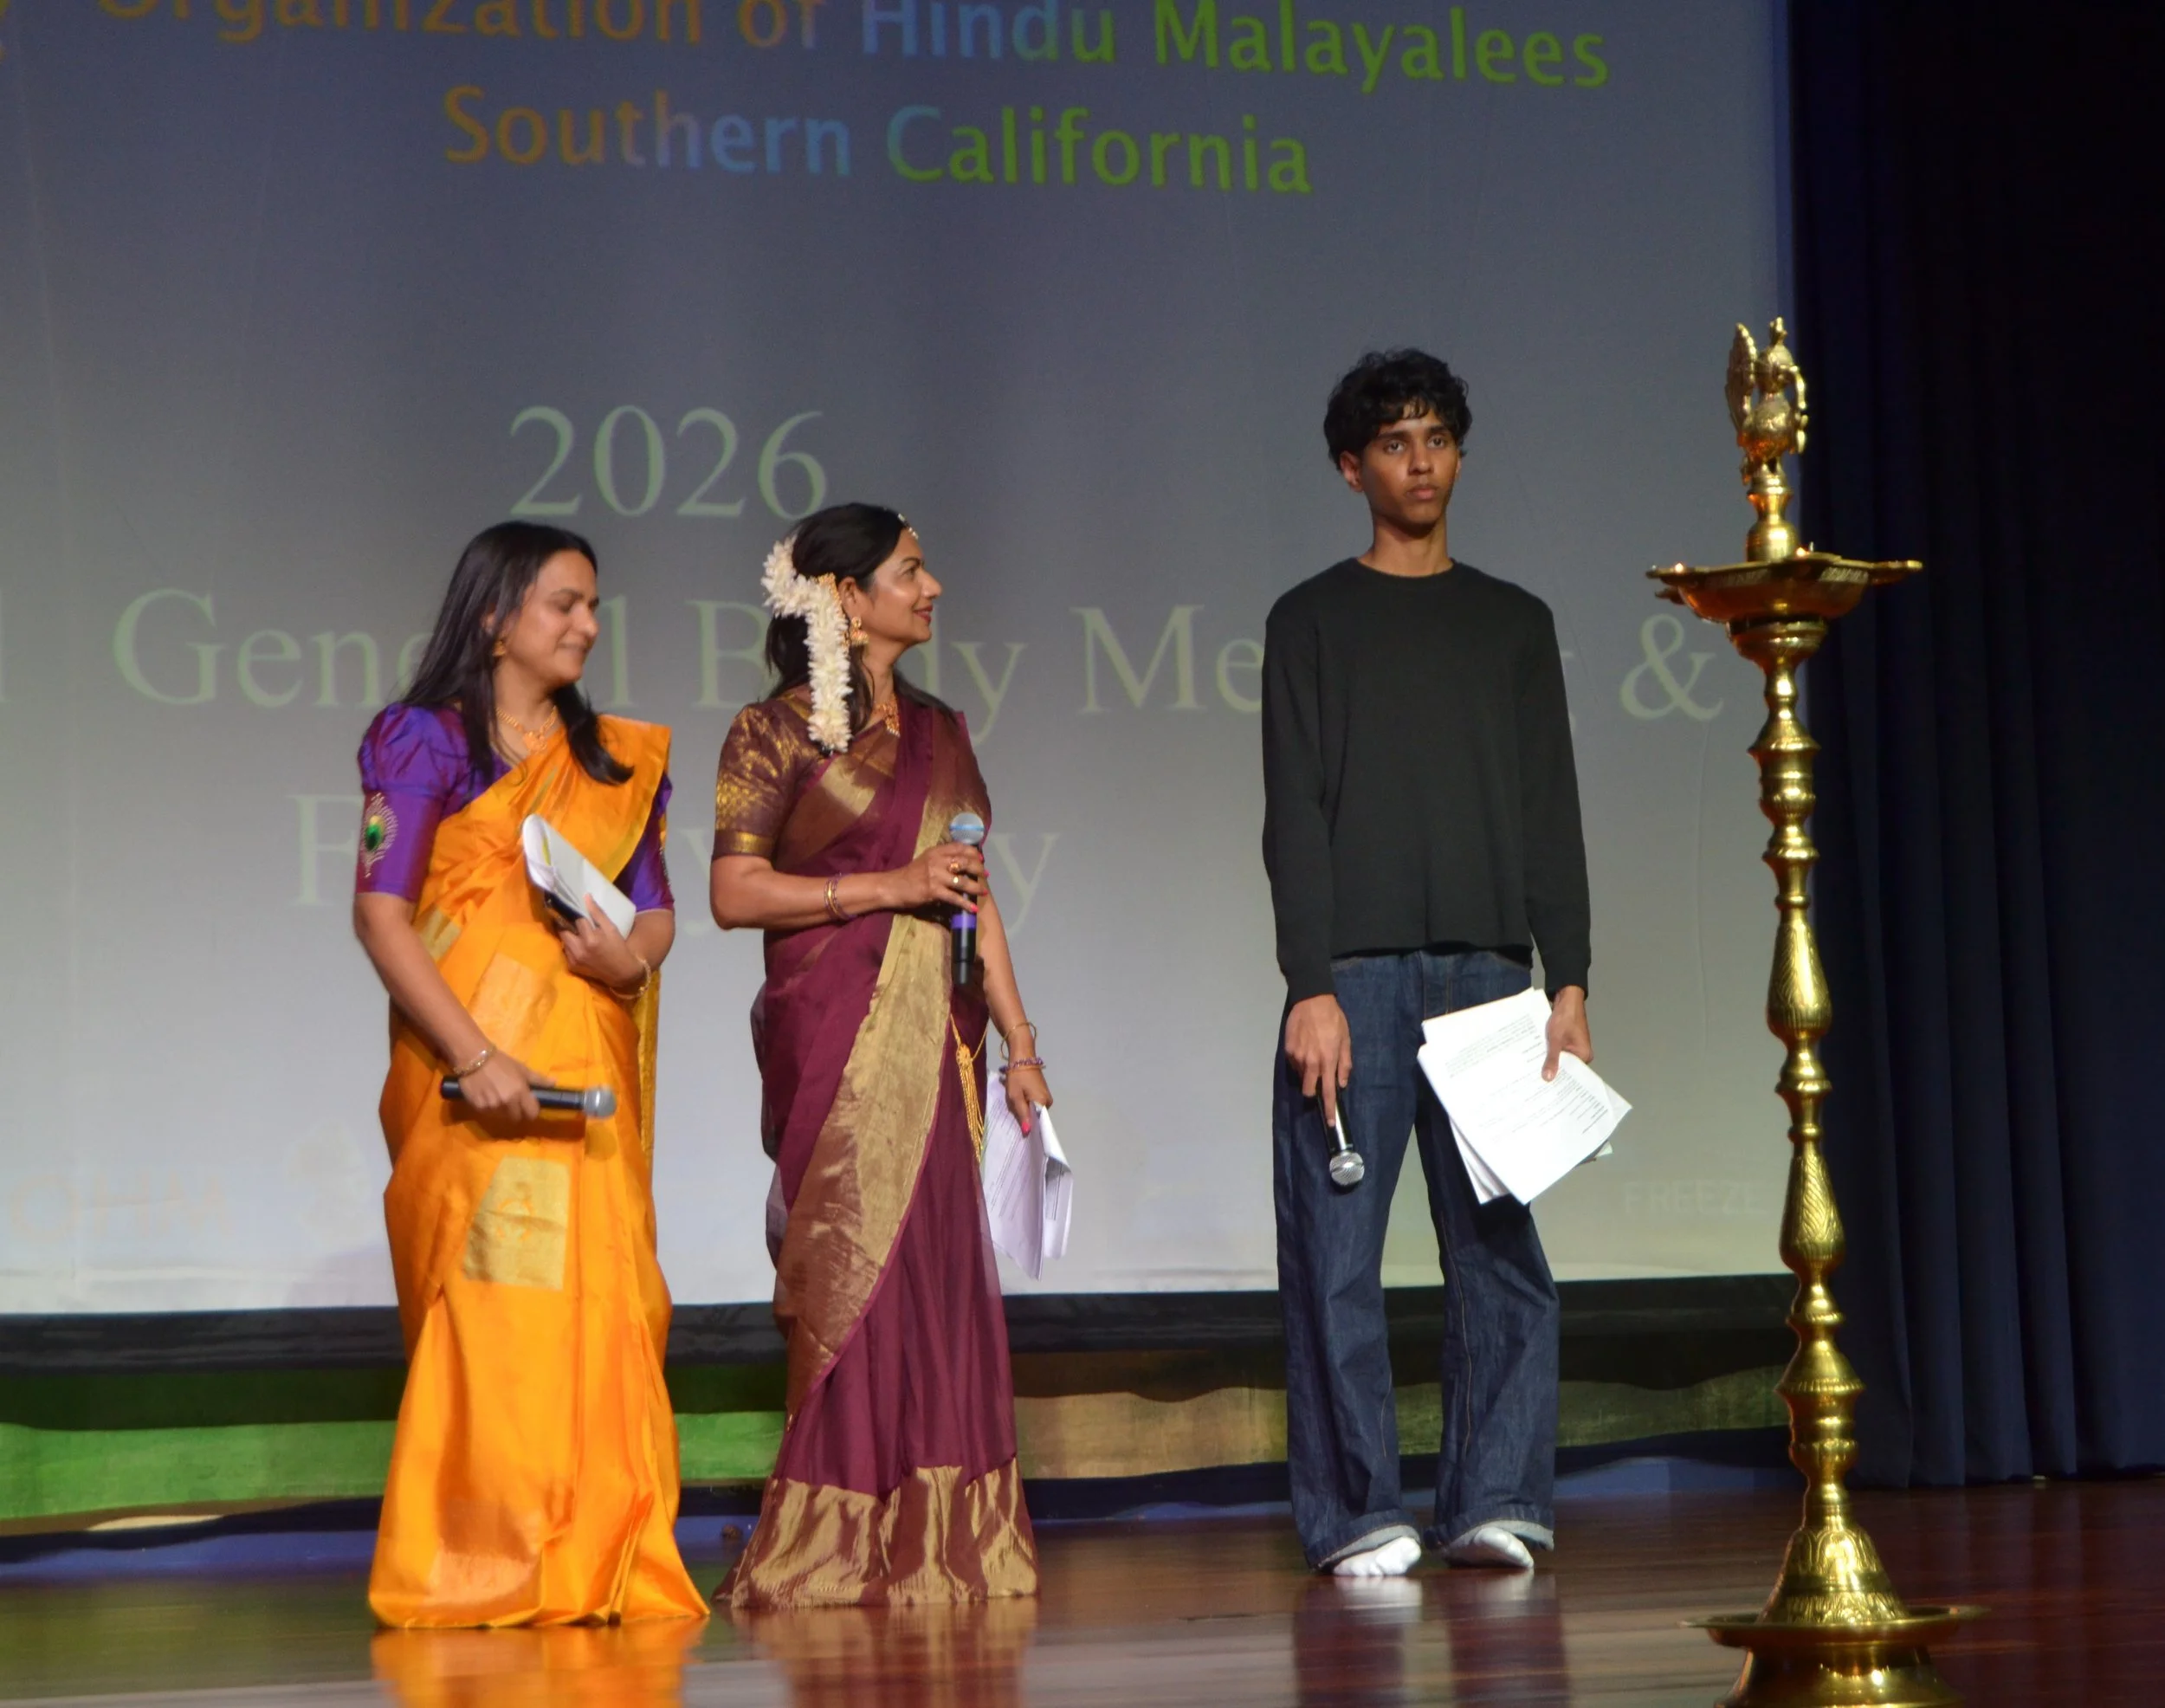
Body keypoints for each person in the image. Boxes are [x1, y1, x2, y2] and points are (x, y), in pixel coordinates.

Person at [1262, 351, 1593, 1579]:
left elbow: (1549, 809)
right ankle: (1356, 1511)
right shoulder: (1311, 619)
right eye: (1395, 443)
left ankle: (1495, 1497)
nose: (1421, 462)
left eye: (1437, 438)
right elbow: (1293, 815)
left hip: (1490, 977)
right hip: (1353, 975)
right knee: (1337, 1255)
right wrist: (1310, 983)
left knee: (1501, 1249)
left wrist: (1569, 979)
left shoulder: (1514, 623)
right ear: (1351, 468)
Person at [352, 521, 705, 1627]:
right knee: (498, 1317)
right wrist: (476, 1054)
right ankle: (483, 1561)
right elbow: (381, 916)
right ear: (496, 617)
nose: (588, 625)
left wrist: (627, 960)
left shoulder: (613, 761)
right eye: (565, 603)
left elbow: (654, 914)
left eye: (594, 605)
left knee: (602, 1309)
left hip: (583, 1075)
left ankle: (597, 1559)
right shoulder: (426, 743)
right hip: (477, 1084)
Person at [709, 503, 1049, 1608]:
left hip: (940, 1038)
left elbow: (976, 892)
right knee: (854, 1270)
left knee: (937, 1275)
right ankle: (838, 1534)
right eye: (911, 569)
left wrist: (1022, 1042)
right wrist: (886, 888)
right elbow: (733, 891)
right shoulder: (772, 731)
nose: (933, 585)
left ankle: (943, 1535)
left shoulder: (944, 729)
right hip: (835, 1039)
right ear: (848, 598)